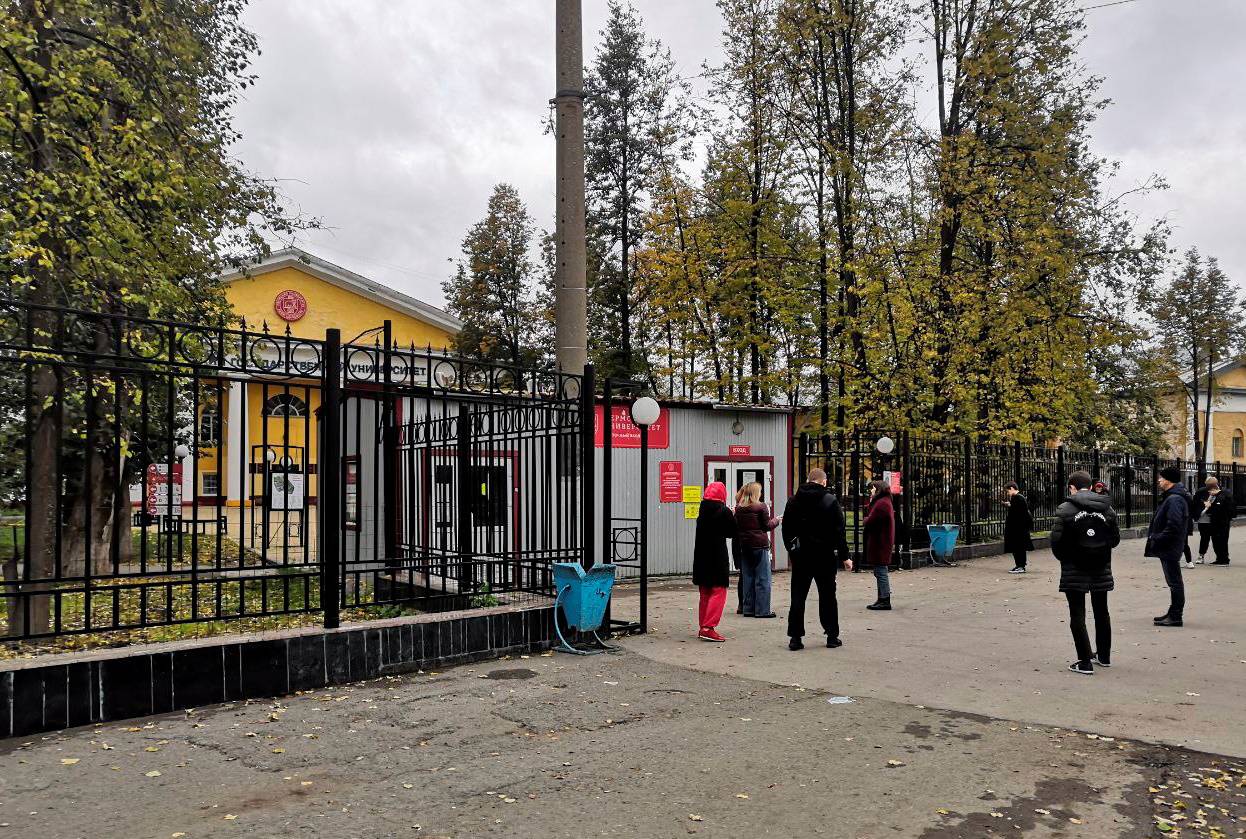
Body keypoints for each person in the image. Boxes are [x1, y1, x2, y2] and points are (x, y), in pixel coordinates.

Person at [1050, 471, 1120, 674]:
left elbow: (1056, 541)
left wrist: (1067, 558)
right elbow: (1114, 540)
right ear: (1090, 487)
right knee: (1102, 611)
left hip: (1074, 568)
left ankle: (1085, 661)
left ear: (1071, 487)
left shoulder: (1065, 508)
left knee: (1077, 613)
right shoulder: (1107, 509)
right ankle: (1104, 656)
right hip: (1100, 567)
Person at [780, 469, 852, 651]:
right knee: (828, 596)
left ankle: (795, 638)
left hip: (801, 556)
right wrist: (845, 556)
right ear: (824, 482)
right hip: (824, 556)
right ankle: (831, 636)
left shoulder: (794, 501)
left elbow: (786, 529)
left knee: (798, 596)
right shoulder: (830, 501)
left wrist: (792, 550)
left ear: (808, 480)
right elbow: (839, 531)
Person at [1145, 467, 1192, 627]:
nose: (1158, 480)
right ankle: (1173, 612)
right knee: (1173, 581)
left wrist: (1157, 537)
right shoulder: (1173, 497)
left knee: (1175, 582)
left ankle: (1176, 616)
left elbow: (1174, 525)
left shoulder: (1174, 499)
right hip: (1170, 545)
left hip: (1170, 546)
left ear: (1168, 480)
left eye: (1161, 478)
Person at [693, 481, 737, 642]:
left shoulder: (702, 511)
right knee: (719, 591)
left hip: (701, 557)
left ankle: (702, 626)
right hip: (717, 557)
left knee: (704, 592)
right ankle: (708, 627)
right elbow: (732, 532)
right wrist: (732, 514)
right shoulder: (723, 511)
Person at [734, 482, 780, 618]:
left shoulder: (739, 509)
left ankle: (748, 609)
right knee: (763, 578)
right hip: (760, 546)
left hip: (745, 546)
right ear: (756, 493)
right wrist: (776, 520)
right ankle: (762, 610)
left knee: (747, 577)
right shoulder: (761, 507)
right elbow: (766, 526)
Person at [863, 480, 896, 610]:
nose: (871, 490)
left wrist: (865, 519)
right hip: (881, 542)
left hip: (880, 543)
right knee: (879, 571)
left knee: (881, 571)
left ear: (878, 489)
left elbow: (871, 520)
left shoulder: (882, 503)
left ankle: (884, 600)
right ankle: (881, 598)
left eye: (873, 488)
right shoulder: (884, 501)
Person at [1192, 477, 1236, 565]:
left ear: (1216, 484)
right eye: (1208, 486)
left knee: (1220, 539)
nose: (1209, 488)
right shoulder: (1201, 492)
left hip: (1218, 520)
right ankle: (1203, 556)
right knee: (1205, 538)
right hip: (1204, 518)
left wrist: (1212, 504)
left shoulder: (1224, 493)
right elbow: (1195, 503)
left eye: (1211, 486)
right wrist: (1203, 504)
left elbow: (1227, 507)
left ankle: (1222, 558)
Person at [1003, 482, 1034, 574]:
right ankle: (1020, 566)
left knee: (1017, 548)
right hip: (1020, 528)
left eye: (1008, 491)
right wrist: (1010, 505)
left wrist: (1009, 505)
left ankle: (1020, 566)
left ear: (1012, 488)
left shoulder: (1017, 498)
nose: (1008, 493)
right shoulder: (1020, 498)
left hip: (1017, 529)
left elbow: (1017, 514)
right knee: (1019, 548)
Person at [732, 485, 748, 613]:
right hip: (745, 546)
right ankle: (744, 604)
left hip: (739, 545)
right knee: (746, 575)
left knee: (743, 575)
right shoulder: (741, 511)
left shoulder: (737, 510)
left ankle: (742, 604)